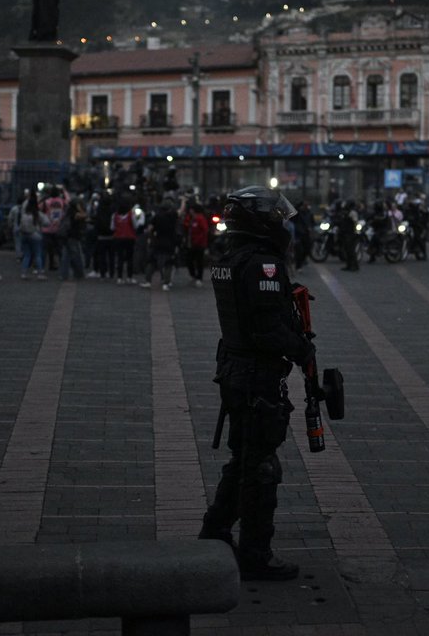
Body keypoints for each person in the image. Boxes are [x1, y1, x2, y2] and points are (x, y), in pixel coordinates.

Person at [198, 186, 315, 581]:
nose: (281, 223)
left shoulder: (231, 259)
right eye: (275, 217)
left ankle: (215, 532)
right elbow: (267, 329)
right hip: (256, 378)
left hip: (236, 372)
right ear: (259, 222)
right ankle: (256, 554)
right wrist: (302, 350)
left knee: (244, 459)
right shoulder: (262, 264)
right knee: (261, 467)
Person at [140, 198, 179, 290]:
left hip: (157, 241)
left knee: (152, 262)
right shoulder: (173, 216)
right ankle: (166, 283)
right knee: (168, 263)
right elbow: (180, 212)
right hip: (170, 242)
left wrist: (150, 235)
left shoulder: (157, 216)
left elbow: (149, 229)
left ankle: (148, 281)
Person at [18, 190, 46, 280]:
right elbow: (47, 222)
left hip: (24, 234)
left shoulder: (25, 214)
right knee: (38, 254)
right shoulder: (37, 214)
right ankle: (40, 273)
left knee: (27, 255)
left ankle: (23, 273)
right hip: (35, 235)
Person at [183, 200, 210, 286]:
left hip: (199, 244)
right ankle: (193, 275)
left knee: (199, 261)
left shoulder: (200, 218)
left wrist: (198, 240)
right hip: (191, 243)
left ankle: (199, 277)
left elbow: (205, 230)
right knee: (189, 260)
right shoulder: (191, 218)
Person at [337, 200, 360, 271]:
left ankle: (354, 266)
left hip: (350, 234)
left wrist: (355, 233)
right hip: (345, 233)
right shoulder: (345, 212)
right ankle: (349, 265)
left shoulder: (353, 213)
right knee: (347, 250)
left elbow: (355, 222)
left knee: (351, 250)